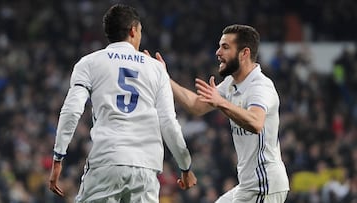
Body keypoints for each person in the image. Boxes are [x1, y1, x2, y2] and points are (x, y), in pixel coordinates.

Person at [48, 4, 197, 203]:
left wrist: (58, 157)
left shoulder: (89, 63)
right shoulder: (157, 69)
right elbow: (169, 122)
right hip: (146, 166)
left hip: (107, 160)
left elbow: (72, 110)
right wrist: (185, 165)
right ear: (133, 30)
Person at [148, 24, 289, 202]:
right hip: (249, 185)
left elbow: (256, 122)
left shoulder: (260, 86)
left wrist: (221, 102)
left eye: (225, 47)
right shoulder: (231, 83)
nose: (218, 52)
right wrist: (164, 78)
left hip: (264, 184)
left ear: (244, 53)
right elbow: (196, 106)